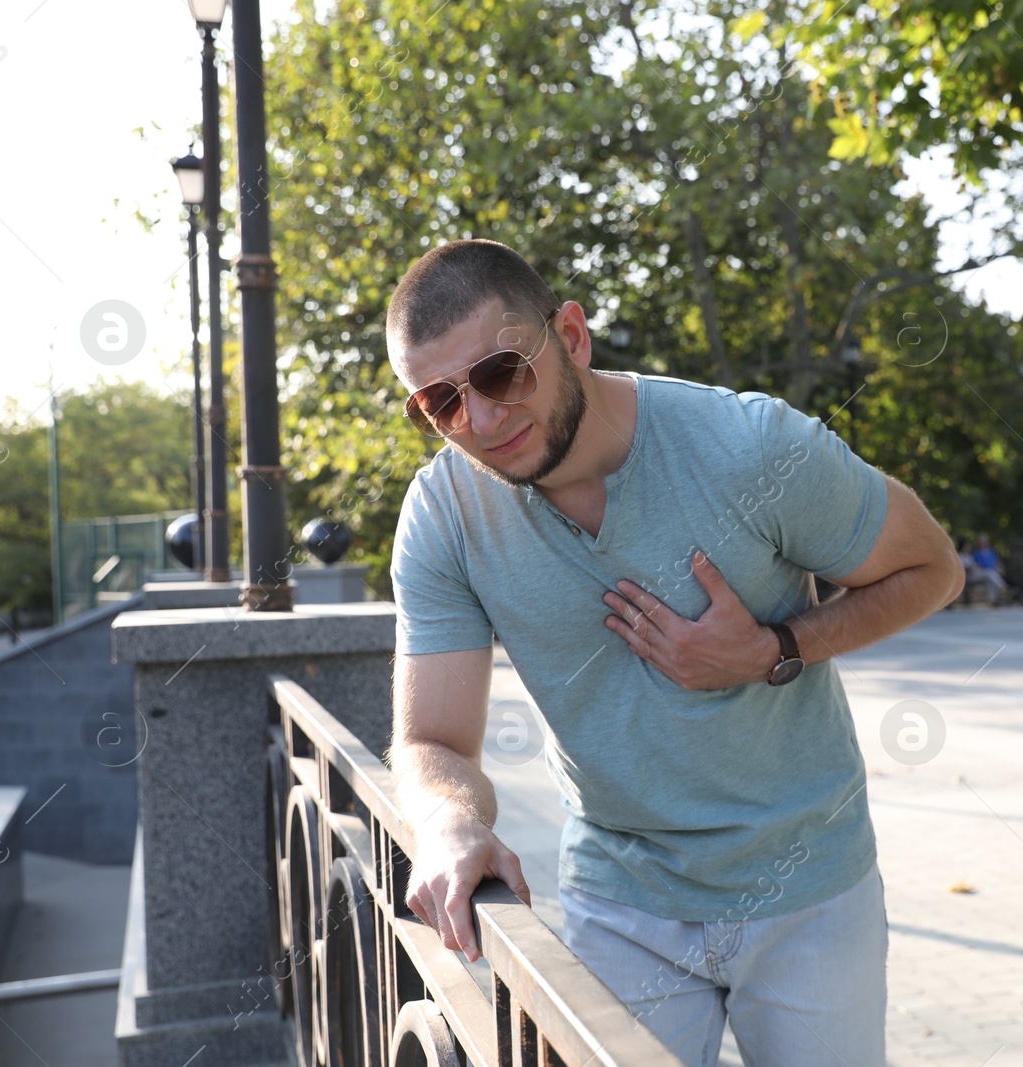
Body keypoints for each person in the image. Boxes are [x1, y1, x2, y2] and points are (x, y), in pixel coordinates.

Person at [384, 238, 965, 1067]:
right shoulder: (446, 512)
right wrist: (447, 824)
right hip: (619, 901)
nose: (477, 420)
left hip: (808, 890)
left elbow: (933, 568)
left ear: (572, 337)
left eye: (500, 373)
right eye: (438, 402)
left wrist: (776, 647)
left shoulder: (754, 447)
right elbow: (432, 740)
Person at [965, 533, 1008, 606]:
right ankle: (1002, 585)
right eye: (981, 541)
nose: (982, 543)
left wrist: (998, 568)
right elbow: (972, 565)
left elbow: (996, 563)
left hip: (992, 573)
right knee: (989, 573)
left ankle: (992, 600)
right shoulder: (975, 553)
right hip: (978, 574)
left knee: (990, 577)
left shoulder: (991, 552)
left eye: (984, 541)